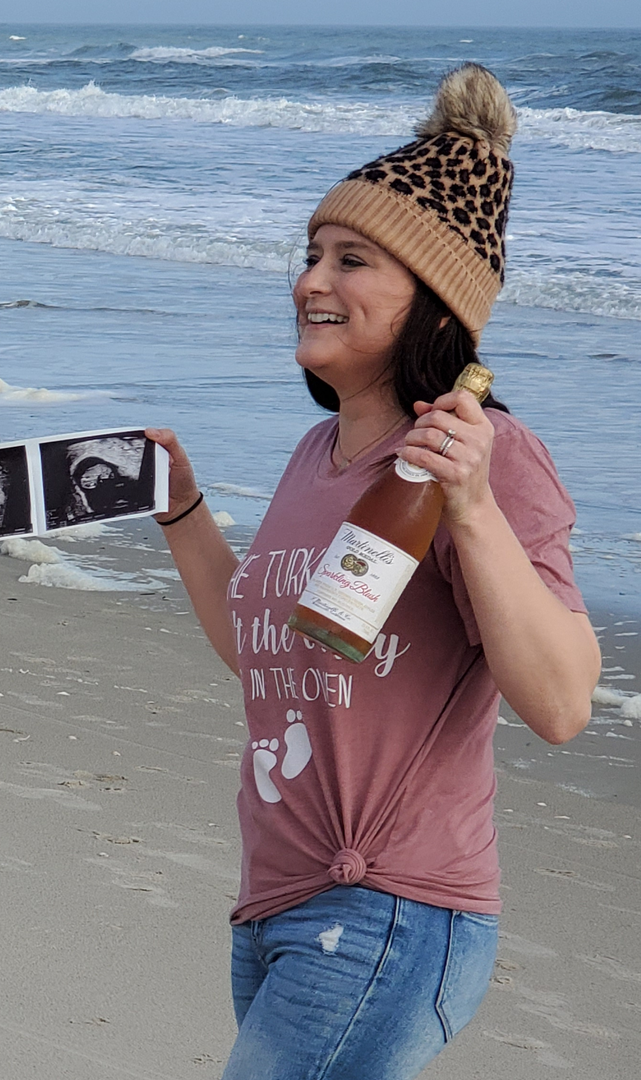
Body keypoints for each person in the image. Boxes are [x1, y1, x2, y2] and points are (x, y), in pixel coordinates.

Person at [146, 65, 600, 1079]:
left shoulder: (487, 457)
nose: (311, 279)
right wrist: (181, 510)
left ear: (434, 301)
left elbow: (565, 702)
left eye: (352, 259)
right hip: (274, 901)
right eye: (311, 253)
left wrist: (473, 509)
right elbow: (276, 657)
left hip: (390, 903)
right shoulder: (318, 458)